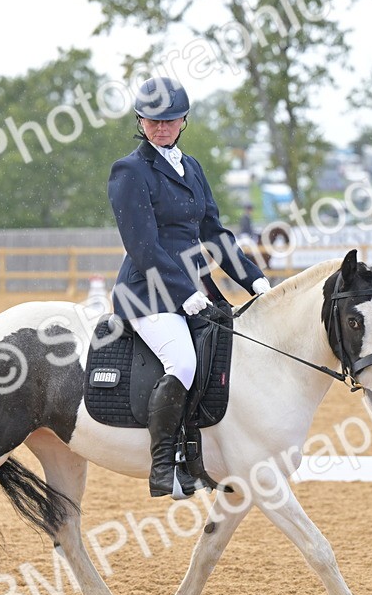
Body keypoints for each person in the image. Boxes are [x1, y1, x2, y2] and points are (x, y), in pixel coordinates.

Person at [107, 77, 270, 500]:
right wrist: (183, 290)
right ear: (140, 122)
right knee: (181, 362)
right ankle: (166, 464)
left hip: (195, 286)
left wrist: (254, 279)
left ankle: (213, 446)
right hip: (148, 291)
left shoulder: (191, 167)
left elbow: (215, 234)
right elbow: (143, 246)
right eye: (152, 121)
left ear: (183, 121)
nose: (160, 127)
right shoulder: (130, 170)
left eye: (169, 120)